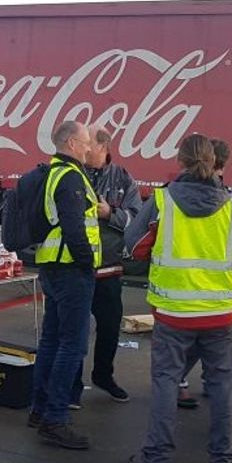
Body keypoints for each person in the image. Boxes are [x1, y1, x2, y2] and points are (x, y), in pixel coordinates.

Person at [125, 133, 232, 463]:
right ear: (215, 163)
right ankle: (222, 462)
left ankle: (156, 459)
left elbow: (136, 245)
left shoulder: (163, 201)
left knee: (167, 383)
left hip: (173, 314)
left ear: (180, 161)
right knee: (223, 388)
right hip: (220, 316)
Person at [28, 121, 100, 450]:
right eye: (86, 142)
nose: (90, 148)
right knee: (73, 345)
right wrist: (88, 262)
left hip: (53, 267)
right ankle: (55, 418)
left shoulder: (52, 172)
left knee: (52, 341)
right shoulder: (70, 177)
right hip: (71, 269)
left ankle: (40, 409)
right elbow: (74, 226)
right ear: (72, 143)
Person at [71, 126, 141, 405]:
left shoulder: (123, 178)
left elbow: (136, 218)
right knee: (76, 329)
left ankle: (103, 375)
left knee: (110, 327)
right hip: (78, 267)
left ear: (105, 147)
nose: (86, 150)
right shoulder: (74, 174)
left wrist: (110, 213)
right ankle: (72, 385)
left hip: (109, 268)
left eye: (91, 146)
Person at [178, 137, 232, 410]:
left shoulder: (167, 199)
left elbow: (137, 244)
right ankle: (223, 452)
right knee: (222, 379)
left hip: (175, 303)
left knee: (168, 372)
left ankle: (157, 451)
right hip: (218, 304)